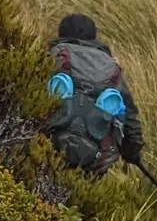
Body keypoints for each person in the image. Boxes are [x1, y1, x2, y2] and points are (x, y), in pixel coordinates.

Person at [44, 12, 144, 176]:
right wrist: (132, 153)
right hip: (95, 161)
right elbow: (130, 118)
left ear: (61, 34)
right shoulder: (112, 70)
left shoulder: (53, 57)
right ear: (93, 38)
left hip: (46, 150)